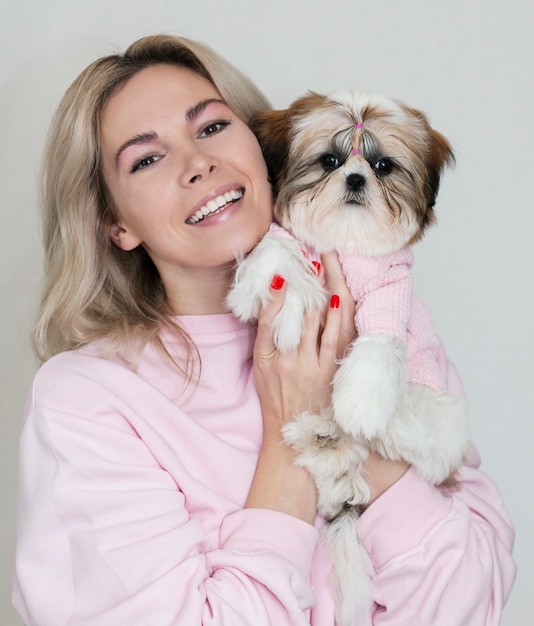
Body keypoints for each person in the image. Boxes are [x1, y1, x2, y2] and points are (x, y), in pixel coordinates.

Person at [12, 34, 515, 625]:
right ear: (115, 224)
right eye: (147, 158)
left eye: (211, 128)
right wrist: (293, 431)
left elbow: (474, 600)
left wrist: (355, 417)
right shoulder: (88, 400)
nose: (198, 163)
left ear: (266, 149)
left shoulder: (389, 331)